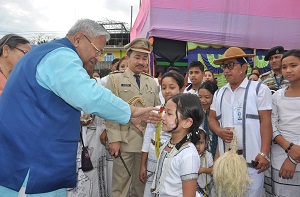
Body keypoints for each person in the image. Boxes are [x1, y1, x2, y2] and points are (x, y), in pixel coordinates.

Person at [0, 19, 161, 196]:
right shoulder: (60, 56)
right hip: (29, 164)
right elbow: (89, 95)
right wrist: (131, 112)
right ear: (78, 39)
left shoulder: (47, 53)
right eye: (97, 50)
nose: (98, 57)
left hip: (29, 158)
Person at [209, 47, 273, 197]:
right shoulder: (219, 93)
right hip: (227, 163)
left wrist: (264, 153)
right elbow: (212, 118)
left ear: (244, 67)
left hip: (253, 163)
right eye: (224, 66)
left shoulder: (259, 89)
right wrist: (219, 131)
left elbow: (266, 122)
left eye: (231, 65)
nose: (226, 70)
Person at [104, 38, 161, 197]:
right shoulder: (115, 79)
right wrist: (114, 140)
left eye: (145, 58)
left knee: (140, 186)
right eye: (137, 57)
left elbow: (156, 110)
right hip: (124, 142)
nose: (141, 62)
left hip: (145, 144)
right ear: (127, 58)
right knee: (120, 187)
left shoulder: (151, 82)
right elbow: (109, 111)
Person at [140, 72, 185, 197]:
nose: (167, 91)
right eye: (163, 88)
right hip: (153, 157)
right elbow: (147, 137)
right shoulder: (156, 110)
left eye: (172, 87)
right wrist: (143, 164)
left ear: (181, 88)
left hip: (172, 158)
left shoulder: (185, 113)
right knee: (150, 189)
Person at [151, 93, 203, 197]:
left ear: (187, 122)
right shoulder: (168, 144)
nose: (163, 118)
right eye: (165, 112)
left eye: (169, 114)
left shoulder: (188, 155)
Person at [269, 49, 300, 196]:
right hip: (280, 154)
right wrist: (289, 148)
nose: (288, 70)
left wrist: (294, 159)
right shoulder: (277, 96)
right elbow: (272, 124)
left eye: (293, 66)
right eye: (284, 67)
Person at [198, 81, 219, 159]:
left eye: (207, 97)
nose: (203, 100)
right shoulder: (201, 114)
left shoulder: (220, 115)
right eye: (200, 97)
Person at [196, 129, 215, 197]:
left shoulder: (208, 155)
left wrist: (203, 170)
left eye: (201, 143)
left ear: (205, 143)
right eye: (195, 143)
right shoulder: (189, 155)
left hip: (206, 188)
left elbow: (213, 170)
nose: (198, 146)